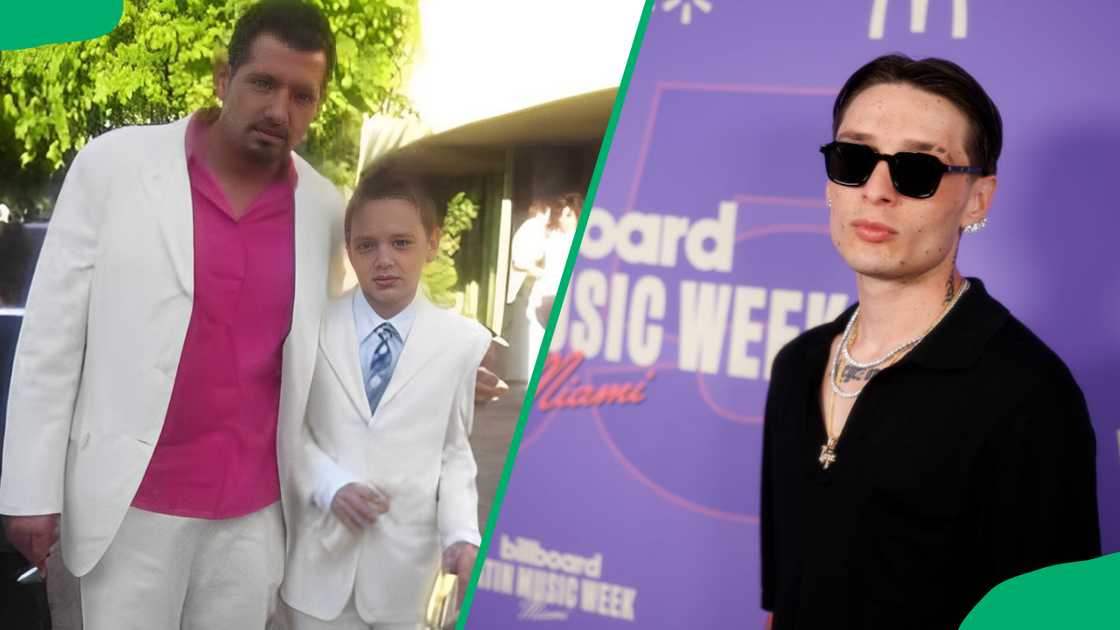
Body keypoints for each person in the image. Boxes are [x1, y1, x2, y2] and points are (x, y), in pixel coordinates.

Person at [0, 2, 500, 627]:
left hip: (255, 516)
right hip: (129, 505)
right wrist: (29, 491)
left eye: (302, 95)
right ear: (222, 78)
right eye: (263, 83)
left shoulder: (321, 205)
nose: (279, 111)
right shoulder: (116, 166)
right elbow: (51, 336)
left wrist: (432, 365)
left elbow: (335, 336)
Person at [759, 54, 1100, 630]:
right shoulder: (797, 365)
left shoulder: (1027, 394)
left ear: (978, 200)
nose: (877, 190)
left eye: (917, 169)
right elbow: (782, 605)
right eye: (854, 159)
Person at [279, 167, 489, 630]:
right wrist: (328, 484)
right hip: (320, 571)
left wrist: (461, 535)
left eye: (401, 242)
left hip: (406, 579)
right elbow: (288, 430)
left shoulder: (461, 343)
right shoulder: (312, 328)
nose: (384, 259)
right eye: (366, 245)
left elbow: (454, 453)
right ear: (348, 249)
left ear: (431, 242)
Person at [527, 193, 581, 365]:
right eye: (562, 214)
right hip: (544, 300)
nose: (563, 219)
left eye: (569, 215)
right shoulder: (552, 238)